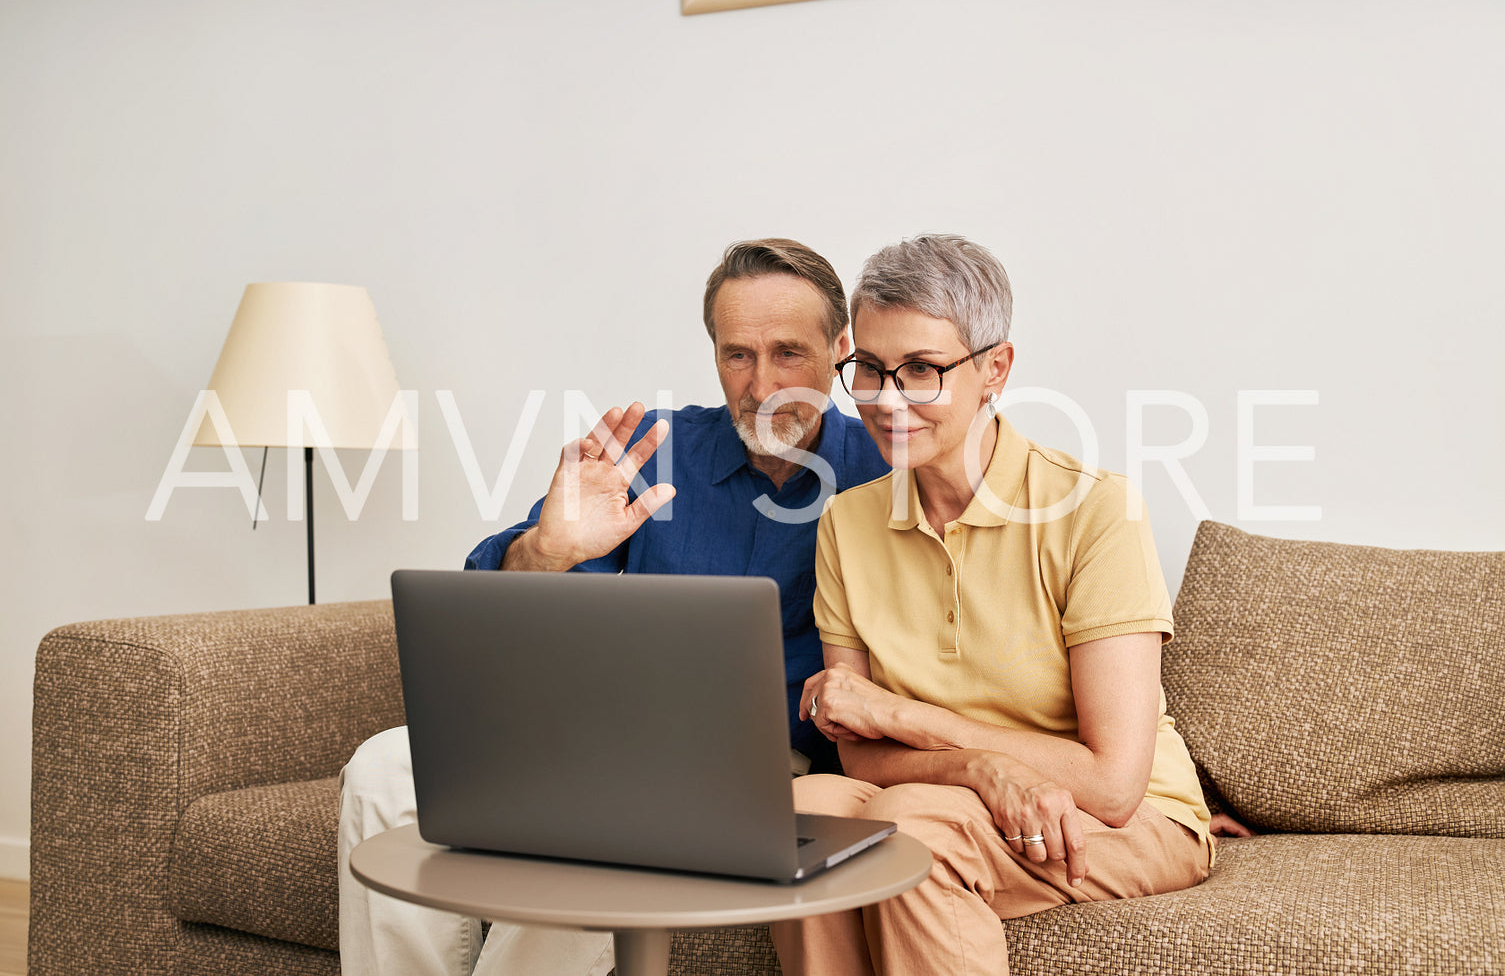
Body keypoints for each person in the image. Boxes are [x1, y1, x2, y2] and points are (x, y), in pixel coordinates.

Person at [337, 238, 889, 976]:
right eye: (737, 355)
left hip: (755, 766)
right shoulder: (654, 450)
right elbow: (499, 601)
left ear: (840, 348)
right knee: (381, 769)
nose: (761, 384)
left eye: (788, 352)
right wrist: (551, 547)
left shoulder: (883, 470)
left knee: (610, 836)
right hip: (596, 732)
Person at [771, 234, 1219, 975]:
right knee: (796, 816)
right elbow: (857, 748)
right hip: (947, 794)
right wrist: (980, 768)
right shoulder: (846, 525)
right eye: (871, 370)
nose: (886, 399)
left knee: (910, 828)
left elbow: (1111, 782)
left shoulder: (1095, 510)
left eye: (920, 369)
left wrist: (908, 716)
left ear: (994, 370)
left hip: (1136, 817)